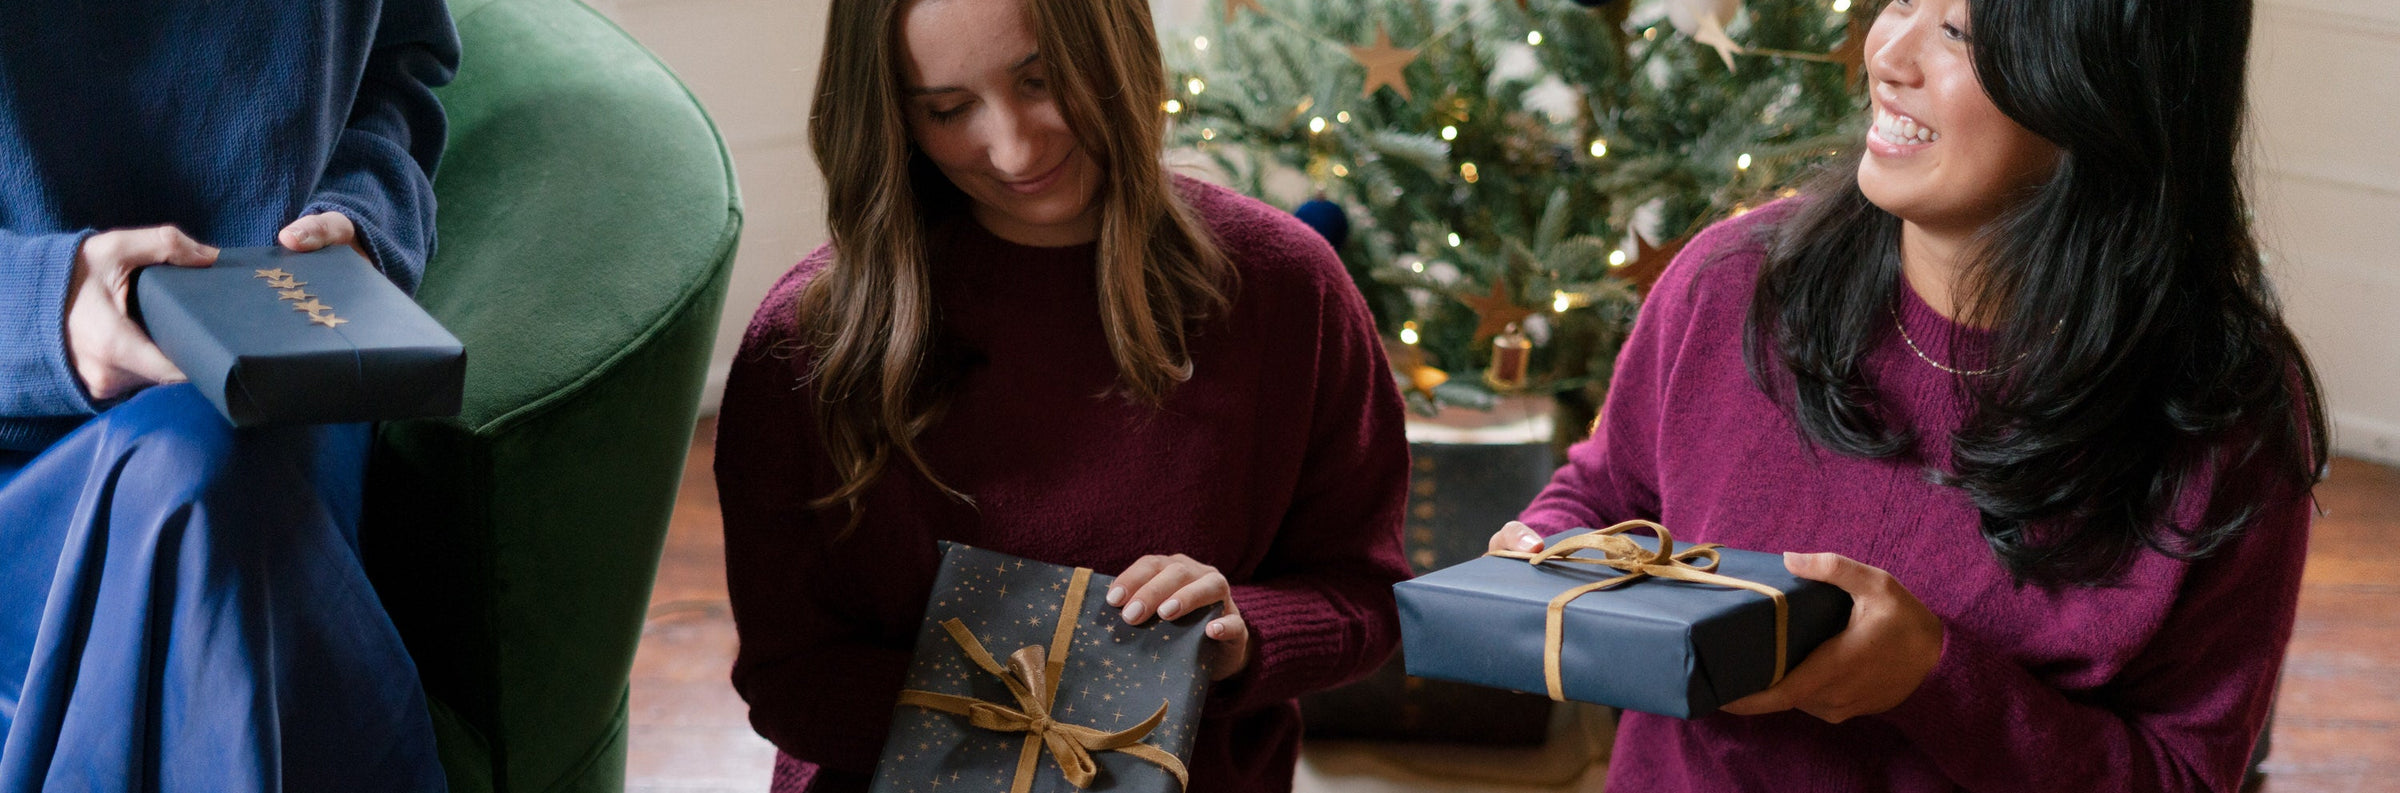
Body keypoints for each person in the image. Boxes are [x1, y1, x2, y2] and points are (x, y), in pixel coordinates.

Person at [1487, 0, 2324, 789]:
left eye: (1959, 31)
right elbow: (1606, 490)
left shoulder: (2226, 416)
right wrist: (1543, 552)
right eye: (1896, 2)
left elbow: (2181, 772)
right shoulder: (1733, 280)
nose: (1886, 56)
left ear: (2104, 82)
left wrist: (1933, 679)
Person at [712, 0, 1413, 791]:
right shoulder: (805, 343)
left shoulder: (1285, 287)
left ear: (1117, 44)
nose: (1013, 148)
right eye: (948, 109)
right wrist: (1022, 734)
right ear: (894, 118)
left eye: (1042, 81)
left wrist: (1239, 636)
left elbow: (1367, 596)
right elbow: (788, 677)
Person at [0, 2, 459, 790]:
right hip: (24, 443)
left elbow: (397, 71)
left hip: (280, 395)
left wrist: (362, 222)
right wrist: (40, 309)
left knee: (207, 478)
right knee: (199, 487)